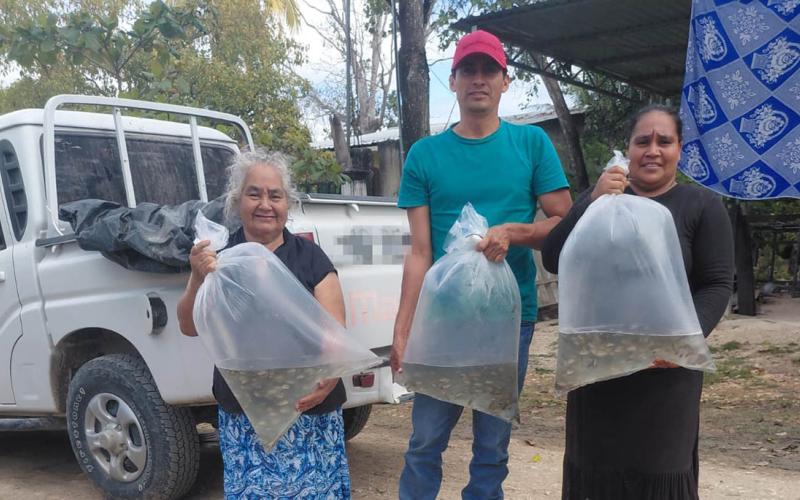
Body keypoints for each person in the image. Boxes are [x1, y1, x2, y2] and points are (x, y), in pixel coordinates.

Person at [391, 29, 573, 500]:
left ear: (505, 81)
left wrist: (513, 231)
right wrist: (403, 331)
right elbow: (419, 252)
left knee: (492, 444)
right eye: (467, 70)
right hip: (442, 319)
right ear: (452, 81)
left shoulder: (530, 144)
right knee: (425, 440)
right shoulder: (425, 155)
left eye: (488, 69)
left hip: (509, 319)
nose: (478, 79)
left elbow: (564, 222)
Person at [541, 104, 735, 500]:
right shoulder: (602, 206)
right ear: (628, 149)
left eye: (664, 141)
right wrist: (591, 198)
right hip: (597, 370)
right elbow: (552, 256)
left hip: (665, 375)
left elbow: (716, 284)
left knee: (658, 474)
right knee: (595, 468)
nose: (652, 150)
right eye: (642, 141)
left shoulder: (701, 206)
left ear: (679, 149)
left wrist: (681, 343)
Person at [176, 150, 351, 499]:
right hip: (246, 417)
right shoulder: (219, 259)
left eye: (275, 195)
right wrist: (197, 277)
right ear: (237, 200)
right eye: (254, 193)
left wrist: (329, 379)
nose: (265, 204)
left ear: (288, 203)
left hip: (309, 412)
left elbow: (335, 334)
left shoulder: (309, 257)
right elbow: (188, 325)